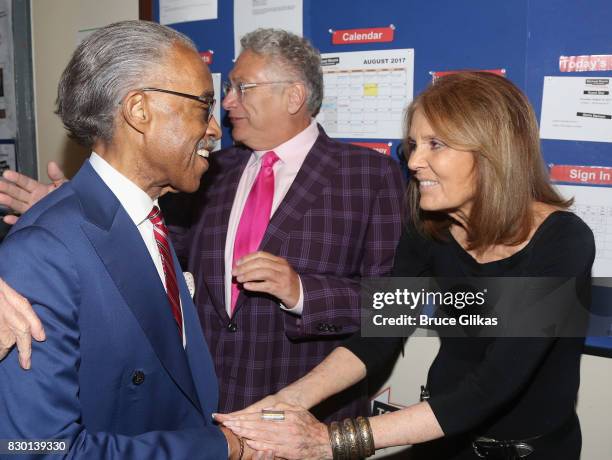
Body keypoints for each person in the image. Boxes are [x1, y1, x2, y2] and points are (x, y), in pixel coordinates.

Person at [0, 28, 405, 421]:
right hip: (206, 411)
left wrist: (302, 292)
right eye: (222, 91)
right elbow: (152, 249)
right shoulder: (207, 170)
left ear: (294, 96)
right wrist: (83, 209)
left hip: (309, 415)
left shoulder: (369, 175)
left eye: (242, 88)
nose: (227, 104)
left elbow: (398, 307)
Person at [215, 72, 596, 460]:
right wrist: (284, 403)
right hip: (443, 441)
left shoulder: (563, 241)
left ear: (493, 152)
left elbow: (494, 384)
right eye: (414, 145)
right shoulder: (430, 229)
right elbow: (378, 334)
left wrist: (330, 442)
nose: (414, 161)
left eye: (436, 145)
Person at [0, 20, 253, 459]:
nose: (216, 126)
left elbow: (404, 295)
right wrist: (215, 448)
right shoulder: (43, 252)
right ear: (139, 110)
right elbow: (36, 449)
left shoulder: (147, 217)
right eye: (204, 105)